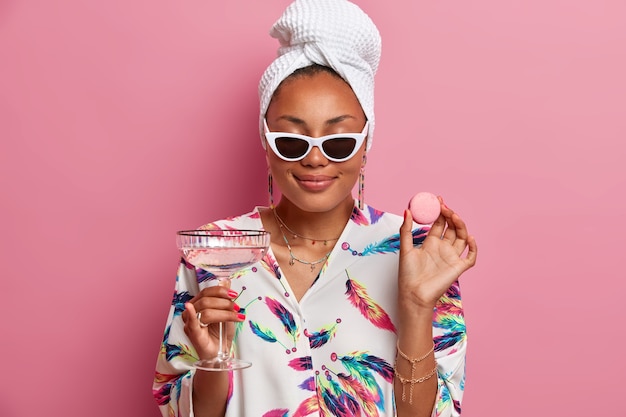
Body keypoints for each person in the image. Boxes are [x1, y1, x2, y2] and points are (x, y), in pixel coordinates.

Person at [153, 0, 477, 416]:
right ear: (267, 145)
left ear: (364, 147)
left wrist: (415, 306)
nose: (315, 160)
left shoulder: (417, 253)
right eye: (292, 140)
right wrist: (214, 364)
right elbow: (175, 409)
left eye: (338, 141)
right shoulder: (214, 252)